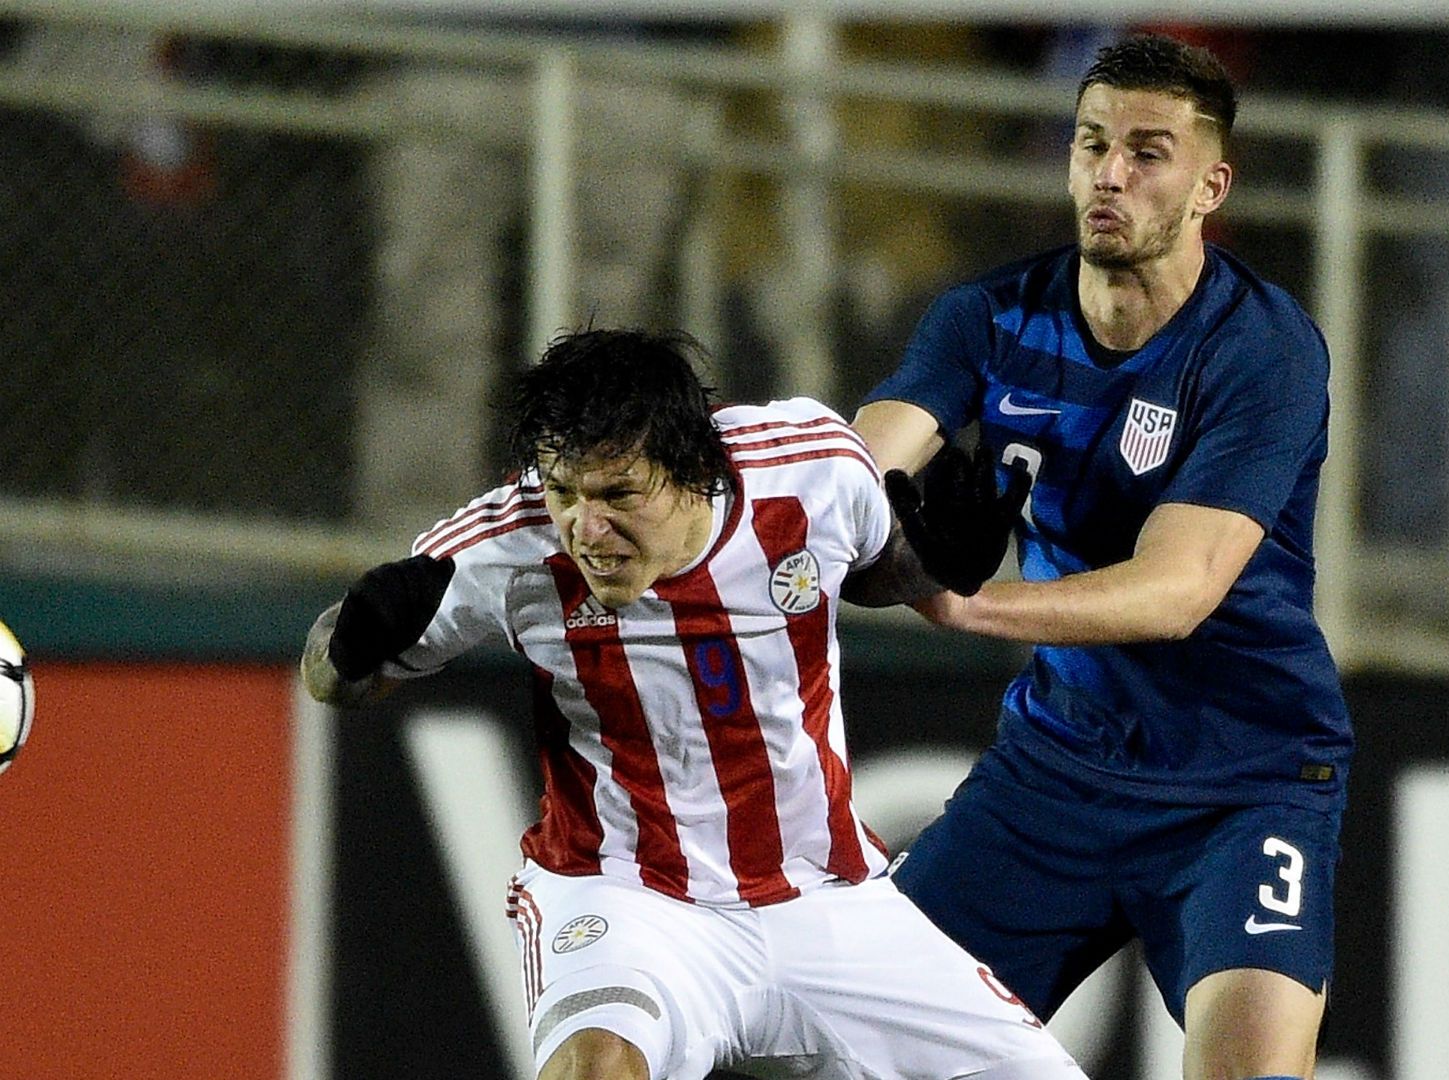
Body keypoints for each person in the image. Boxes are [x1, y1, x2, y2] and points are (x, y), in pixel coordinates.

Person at [300, 328, 1087, 1080]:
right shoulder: (507, 543)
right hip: (627, 899)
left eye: (617, 495)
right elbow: (337, 677)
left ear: (691, 468)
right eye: (566, 492)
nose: (585, 527)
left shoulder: (811, 470)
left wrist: (942, 562)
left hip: (824, 898)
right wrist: (350, 646)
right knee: (596, 1066)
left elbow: (880, 568)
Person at [855, 34, 1351, 1080]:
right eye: (1091, 144)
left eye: (1148, 151)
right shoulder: (988, 319)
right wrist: (864, 539)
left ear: (1212, 185)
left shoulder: (1263, 349)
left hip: (1246, 779)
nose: (1110, 174)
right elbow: (857, 474)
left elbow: (1179, 590)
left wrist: (955, 602)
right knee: (853, 1052)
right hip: (1058, 769)